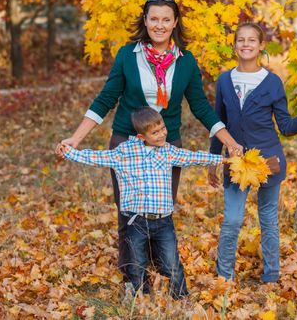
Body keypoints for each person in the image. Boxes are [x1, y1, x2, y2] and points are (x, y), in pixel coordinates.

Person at [56, 0, 242, 287]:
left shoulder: (186, 61)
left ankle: (160, 269)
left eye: (165, 19)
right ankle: (132, 274)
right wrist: (76, 139)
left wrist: (229, 141)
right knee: (128, 211)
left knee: (161, 211)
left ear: (175, 22)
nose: (159, 25)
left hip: (167, 146)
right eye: (153, 18)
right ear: (145, 20)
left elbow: (201, 107)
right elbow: (105, 99)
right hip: (127, 143)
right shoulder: (127, 56)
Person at [58, 107, 227, 298]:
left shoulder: (168, 151)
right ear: (140, 136)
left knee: (172, 264)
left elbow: (193, 157)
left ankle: (180, 298)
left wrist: (222, 159)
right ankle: (140, 298)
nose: (162, 134)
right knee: (136, 264)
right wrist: (70, 152)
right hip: (136, 221)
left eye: (163, 128)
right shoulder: (124, 153)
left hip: (163, 222)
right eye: (155, 132)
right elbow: (95, 157)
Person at [208, 22, 297, 283]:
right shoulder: (225, 80)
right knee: (232, 220)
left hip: (268, 160)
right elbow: (218, 123)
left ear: (262, 46)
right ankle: (223, 276)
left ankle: (272, 276)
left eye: (252, 40)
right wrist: (214, 160)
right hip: (236, 162)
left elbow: (285, 127)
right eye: (240, 40)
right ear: (235, 45)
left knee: (268, 219)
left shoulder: (272, 82)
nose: (246, 44)